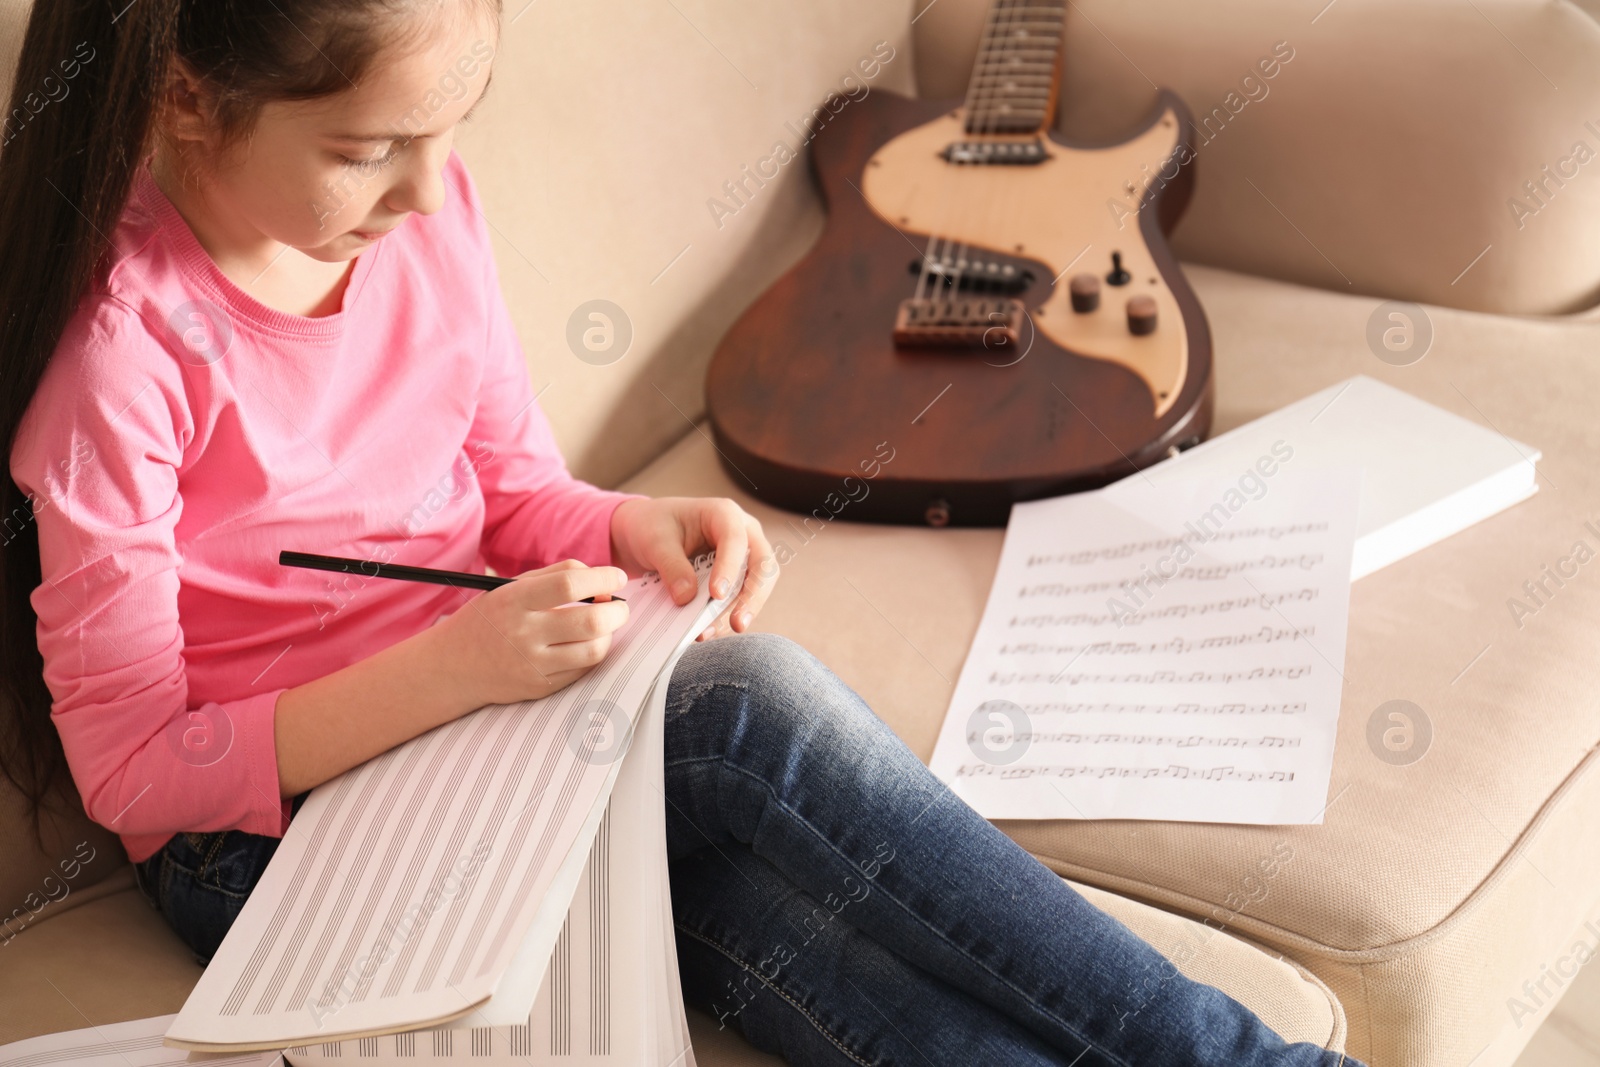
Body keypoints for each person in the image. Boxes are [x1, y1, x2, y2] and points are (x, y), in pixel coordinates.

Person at [0, 3, 1360, 1064]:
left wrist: (633, 523)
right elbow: (128, 771)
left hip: (485, 736)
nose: (428, 193)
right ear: (189, 97)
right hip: (267, 852)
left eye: (452, 127)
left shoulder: (422, 218)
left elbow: (516, 492)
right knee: (744, 710)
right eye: (368, 151)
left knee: (788, 939)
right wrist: (456, 671)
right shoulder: (121, 363)